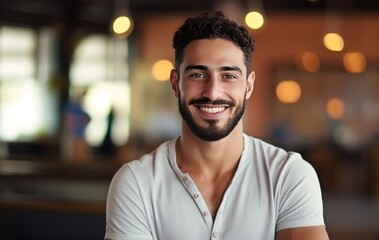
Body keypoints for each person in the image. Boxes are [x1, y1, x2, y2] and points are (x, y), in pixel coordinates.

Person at [105, 11, 329, 240]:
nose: (212, 92)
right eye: (197, 74)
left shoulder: (289, 176)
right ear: (175, 83)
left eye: (228, 76)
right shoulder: (136, 183)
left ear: (248, 86)